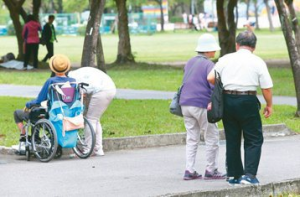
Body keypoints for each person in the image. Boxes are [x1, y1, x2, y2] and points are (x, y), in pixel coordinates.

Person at [207, 30, 273, 186]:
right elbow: (267, 88)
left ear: (237, 45)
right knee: (254, 138)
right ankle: (249, 175)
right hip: (247, 99)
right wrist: (269, 105)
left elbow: (210, 77)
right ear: (254, 47)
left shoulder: (225, 59)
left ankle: (234, 175)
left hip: (228, 100)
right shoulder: (257, 61)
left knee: (232, 137)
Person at [179, 34, 225, 180]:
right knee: (211, 136)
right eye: (214, 49)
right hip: (202, 104)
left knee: (192, 138)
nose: (215, 52)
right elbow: (213, 85)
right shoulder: (209, 65)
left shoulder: (190, 62)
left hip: (185, 104)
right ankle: (211, 169)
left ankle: (189, 169)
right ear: (208, 50)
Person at [14, 54, 75, 141]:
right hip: (69, 114)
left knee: (18, 113)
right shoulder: (73, 82)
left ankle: (24, 136)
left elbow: (39, 100)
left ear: (53, 67)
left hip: (52, 115)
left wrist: (28, 104)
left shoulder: (51, 81)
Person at [68, 67, 116, 156]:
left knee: (91, 120)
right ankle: (98, 149)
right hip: (110, 88)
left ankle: (88, 149)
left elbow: (76, 96)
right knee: (95, 119)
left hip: (102, 90)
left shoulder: (72, 79)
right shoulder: (77, 73)